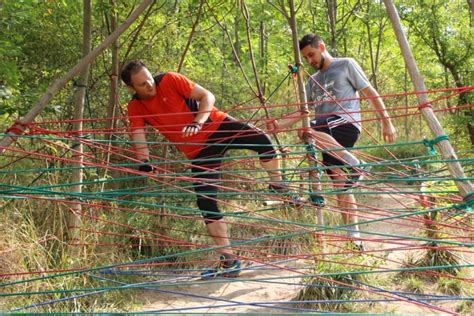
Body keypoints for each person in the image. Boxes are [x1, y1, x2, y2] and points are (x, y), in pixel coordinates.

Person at [121, 60, 299, 277]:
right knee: (206, 203)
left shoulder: (169, 79)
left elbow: (208, 96)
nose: (150, 85)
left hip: (218, 125)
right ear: (131, 88)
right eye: (142, 84)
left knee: (262, 139)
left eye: (149, 78)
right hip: (198, 151)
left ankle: (278, 184)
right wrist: (144, 163)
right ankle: (229, 261)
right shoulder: (136, 107)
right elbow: (138, 136)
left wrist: (198, 121)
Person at [270, 34, 397, 250]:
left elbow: (370, 92)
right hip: (325, 136)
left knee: (310, 128)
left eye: (311, 54)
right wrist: (279, 125)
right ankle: (354, 239)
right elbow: (304, 110)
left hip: (345, 124)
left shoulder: (346, 65)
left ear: (321, 47)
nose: (310, 60)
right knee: (340, 185)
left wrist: (387, 122)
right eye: (306, 57)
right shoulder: (312, 80)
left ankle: (355, 164)